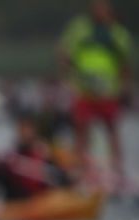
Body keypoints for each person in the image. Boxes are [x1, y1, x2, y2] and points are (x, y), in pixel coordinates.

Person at [58, 0, 134, 191]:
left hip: (108, 91)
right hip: (84, 89)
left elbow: (125, 62)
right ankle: (80, 168)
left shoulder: (118, 33)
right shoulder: (80, 28)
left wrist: (126, 88)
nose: (101, 11)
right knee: (81, 128)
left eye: (104, 8)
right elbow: (64, 51)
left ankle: (116, 169)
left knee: (111, 129)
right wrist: (67, 73)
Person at [0, 113, 73, 203]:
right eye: (21, 128)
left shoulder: (44, 154)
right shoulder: (9, 157)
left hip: (38, 203)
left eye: (27, 129)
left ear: (34, 131)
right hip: (15, 202)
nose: (23, 132)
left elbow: (64, 182)